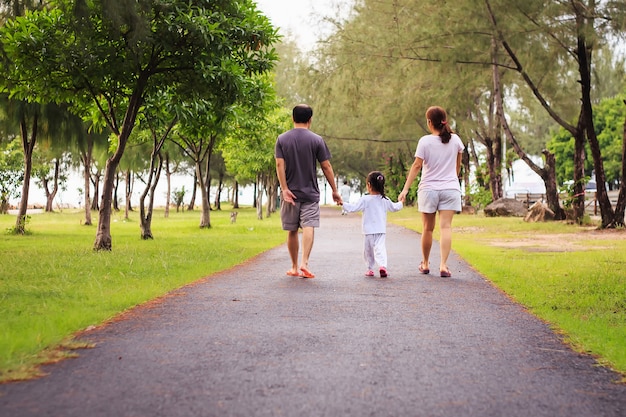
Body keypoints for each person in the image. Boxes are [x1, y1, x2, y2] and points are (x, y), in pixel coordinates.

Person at [275, 104, 342, 279]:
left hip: (290, 194)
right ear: (310, 120)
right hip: (310, 193)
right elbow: (326, 166)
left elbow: (279, 164)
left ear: (292, 118)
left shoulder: (282, 139)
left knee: (292, 230)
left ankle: (294, 266)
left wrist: (284, 189)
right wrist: (334, 190)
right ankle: (305, 262)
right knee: (308, 226)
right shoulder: (317, 140)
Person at [398, 106, 464, 278]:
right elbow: (457, 166)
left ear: (429, 122)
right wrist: (451, 180)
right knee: (446, 227)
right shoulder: (456, 140)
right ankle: (443, 265)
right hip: (450, 189)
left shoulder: (425, 141)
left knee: (428, 229)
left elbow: (417, 166)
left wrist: (405, 189)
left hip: (429, 190)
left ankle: (426, 264)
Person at [343, 171, 403, 278]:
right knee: (380, 249)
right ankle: (382, 266)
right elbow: (395, 207)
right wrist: (401, 202)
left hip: (368, 231)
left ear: (369, 185)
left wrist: (342, 203)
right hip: (380, 230)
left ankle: (370, 268)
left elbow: (353, 208)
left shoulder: (365, 199)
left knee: (368, 251)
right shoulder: (385, 199)